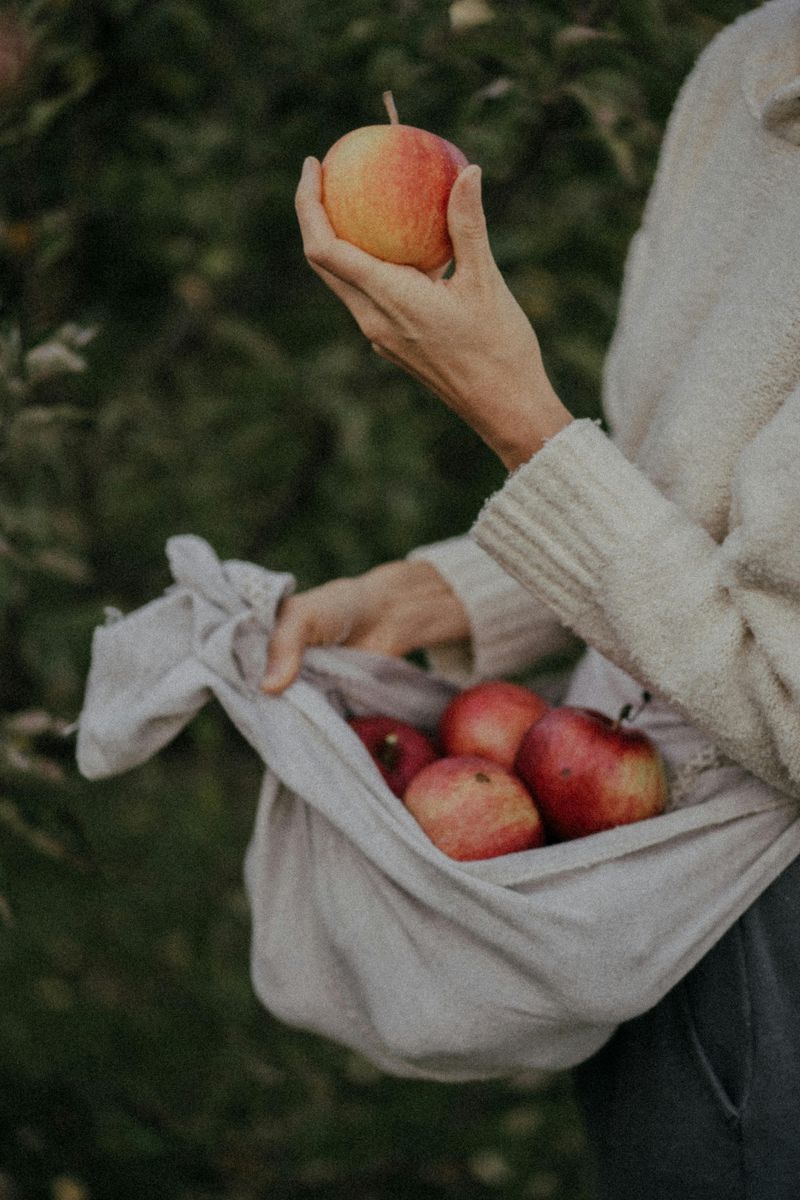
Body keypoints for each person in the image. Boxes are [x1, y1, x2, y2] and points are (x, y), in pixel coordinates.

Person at [261, 1, 800, 1195]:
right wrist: (439, 591)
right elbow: (677, 483)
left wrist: (515, 417)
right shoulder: (749, 72)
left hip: (770, 920)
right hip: (626, 865)